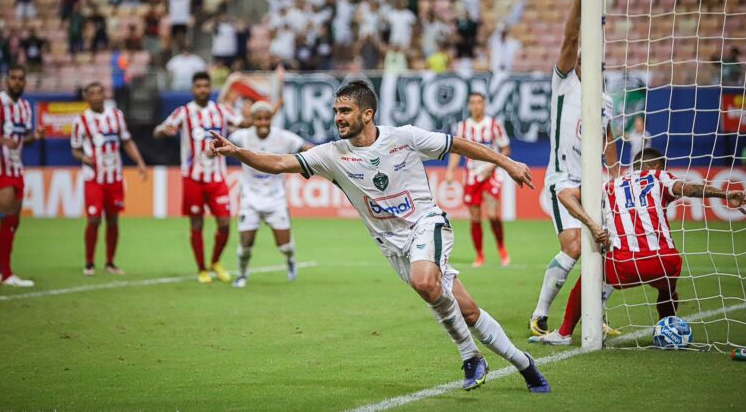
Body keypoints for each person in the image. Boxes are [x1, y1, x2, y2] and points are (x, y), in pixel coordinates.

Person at [209, 81, 551, 393]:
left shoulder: (404, 137)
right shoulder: (331, 155)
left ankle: (470, 356)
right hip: (392, 246)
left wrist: (507, 162)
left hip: (426, 224)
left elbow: (459, 144)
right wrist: (239, 152)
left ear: (367, 113)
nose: (338, 118)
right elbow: (281, 162)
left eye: (345, 111)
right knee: (469, 311)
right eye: (336, 111)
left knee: (424, 283)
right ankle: (525, 365)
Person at [532, 148, 746, 344]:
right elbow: (689, 189)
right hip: (666, 263)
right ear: (657, 167)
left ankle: (563, 333)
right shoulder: (658, 176)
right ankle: (668, 330)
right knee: (667, 289)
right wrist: (725, 194)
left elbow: (564, 194)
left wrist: (591, 224)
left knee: (590, 277)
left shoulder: (610, 186)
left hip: (625, 264)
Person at [529, 0, 620, 336]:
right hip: (563, 180)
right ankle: (539, 315)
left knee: (614, 248)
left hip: (597, 183)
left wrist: (617, 174)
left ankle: (594, 314)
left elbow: (608, 138)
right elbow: (569, 37)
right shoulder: (565, 83)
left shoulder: (606, 100)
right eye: (584, 56)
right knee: (573, 245)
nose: (587, 61)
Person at [154, 72, 251, 283]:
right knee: (196, 224)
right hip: (192, 177)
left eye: (206, 86)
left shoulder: (221, 110)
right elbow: (157, 131)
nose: (202, 90)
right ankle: (201, 269)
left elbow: (243, 123)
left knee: (224, 223)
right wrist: (164, 129)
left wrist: (248, 114)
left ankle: (215, 261)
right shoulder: (184, 112)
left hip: (216, 177)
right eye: (198, 86)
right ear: (192, 89)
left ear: (210, 88)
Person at [228, 101, 312, 287]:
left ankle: (290, 260)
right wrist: (212, 149)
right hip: (250, 198)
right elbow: (224, 143)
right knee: (245, 246)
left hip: (276, 199)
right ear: (253, 120)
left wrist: (323, 157)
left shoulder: (283, 138)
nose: (263, 122)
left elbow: (306, 148)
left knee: (284, 247)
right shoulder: (242, 136)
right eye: (259, 119)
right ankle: (242, 276)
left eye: (266, 118)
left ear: (271, 119)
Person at [71, 82, 147, 276]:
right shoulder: (81, 120)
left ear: (104, 95)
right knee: (94, 218)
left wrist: (139, 162)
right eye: (92, 94)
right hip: (94, 177)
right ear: (87, 98)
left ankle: (110, 262)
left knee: (113, 219)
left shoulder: (116, 116)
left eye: (99, 92)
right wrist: (84, 158)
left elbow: (126, 140)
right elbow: (75, 149)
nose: (97, 96)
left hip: (114, 176)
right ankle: (89, 262)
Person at [446, 93, 512, 268]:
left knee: (491, 214)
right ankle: (480, 255)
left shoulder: (494, 125)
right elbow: (456, 151)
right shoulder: (462, 127)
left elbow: (505, 149)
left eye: (479, 103)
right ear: (469, 106)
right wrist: (451, 171)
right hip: (472, 175)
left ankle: (501, 248)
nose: (476, 106)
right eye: (473, 103)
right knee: (475, 217)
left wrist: (494, 164)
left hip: (491, 174)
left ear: (484, 105)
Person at [0, 65, 43, 286]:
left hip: (17, 168)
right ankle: (7, 275)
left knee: (14, 221)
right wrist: (0, 139)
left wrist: (36, 135)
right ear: (6, 80)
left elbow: (25, 139)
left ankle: (1, 269)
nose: (17, 82)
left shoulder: (25, 107)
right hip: (0, 168)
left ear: (25, 83)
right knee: (7, 217)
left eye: (21, 79)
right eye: (13, 78)